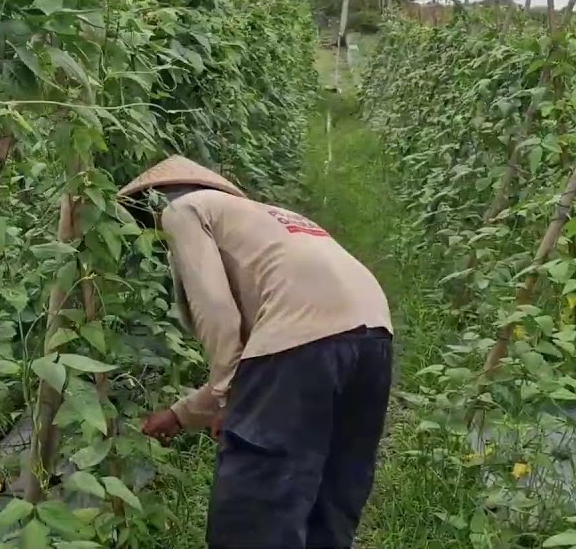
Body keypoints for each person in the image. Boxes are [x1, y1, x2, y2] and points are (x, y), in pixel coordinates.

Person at [119, 155, 393, 549]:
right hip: (374, 337)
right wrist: (182, 415)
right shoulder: (266, 217)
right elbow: (267, 352)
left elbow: (221, 318)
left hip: (301, 342)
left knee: (256, 511)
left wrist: (230, 396)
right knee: (333, 494)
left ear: (154, 202)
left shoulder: (182, 210)